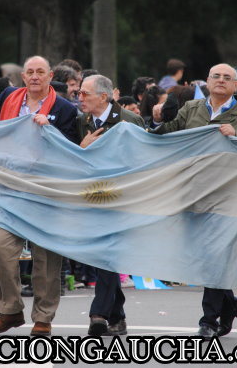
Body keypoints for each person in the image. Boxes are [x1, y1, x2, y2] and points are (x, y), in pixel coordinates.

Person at [151, 63, 237, 339]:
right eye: (216, 76)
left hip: (227, 200)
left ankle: (209, 320)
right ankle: (230, 302)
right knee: (201, 258)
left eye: (228, 78)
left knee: (213, 256)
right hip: (193, 195)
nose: (221, 81)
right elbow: (168, 133)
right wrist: (157, 120)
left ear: (236, 86)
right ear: (208, 82)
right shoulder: (192, 109)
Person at [0, 55, 77, 336]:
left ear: (50, 75)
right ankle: (10, 310)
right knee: (2, 248)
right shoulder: (9, 97)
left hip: (45, 192)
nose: (34, 76)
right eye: (29, 72)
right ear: (23, 76)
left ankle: (43, 318)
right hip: (11, 189)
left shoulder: (64, 109)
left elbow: (72, 150)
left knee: (46, 260)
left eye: (40, 72)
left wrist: (49, 129)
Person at [76, 74, 144, 336]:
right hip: (94, 196)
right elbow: (77, 156)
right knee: (104, 255)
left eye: (85, 93)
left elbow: (142, 158)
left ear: (103, 97)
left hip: (122, 197)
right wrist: (83, 147)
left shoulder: (129, 120)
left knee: (107, 253)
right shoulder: (83, 121)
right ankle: (117, 315)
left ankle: (99, 313)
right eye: (79, 93)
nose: (79, 98)